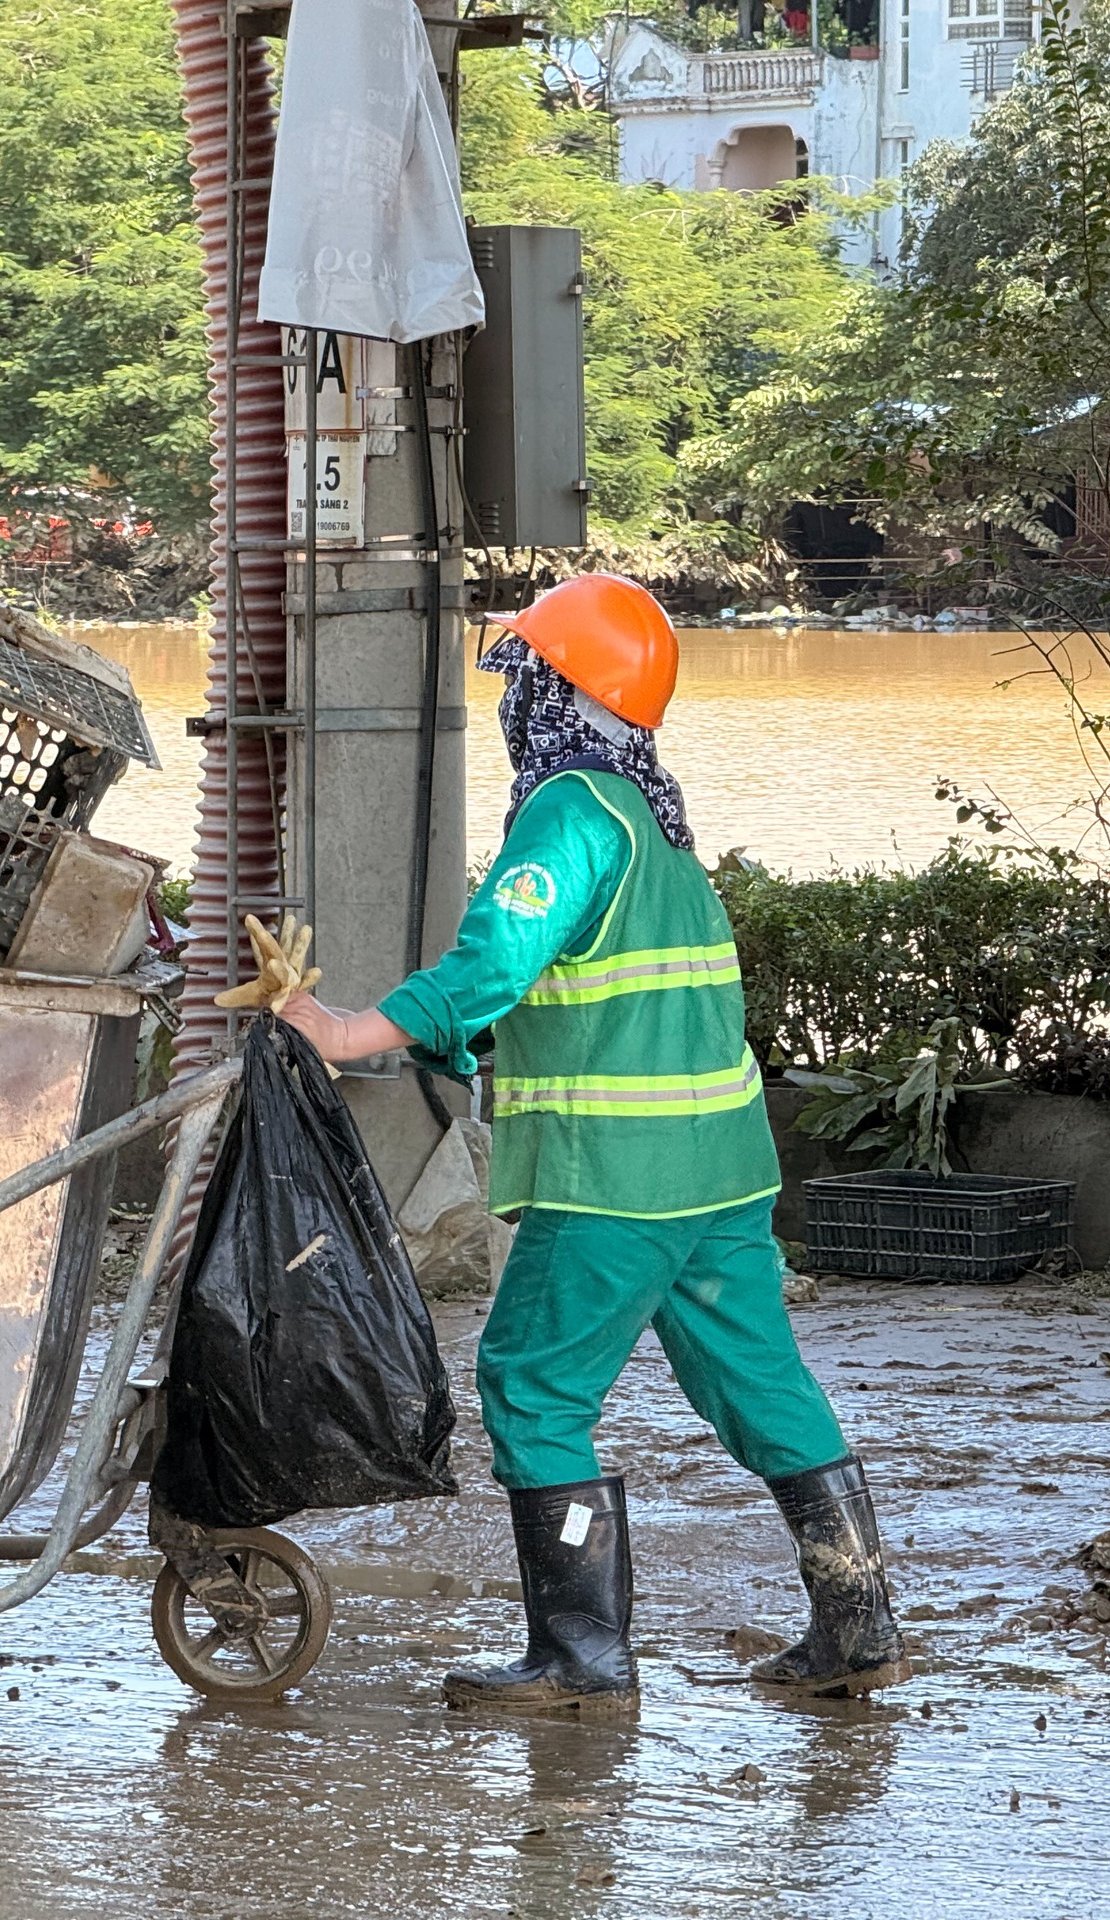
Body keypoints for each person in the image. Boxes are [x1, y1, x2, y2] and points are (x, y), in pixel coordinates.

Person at [277, 573, 907, 1716]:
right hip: (719, 1172)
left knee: (532, 1386)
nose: (512, 701)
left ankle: (582, 1654)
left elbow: (495, 967)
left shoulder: (569, 811)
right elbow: (594, 1000)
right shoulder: (655, 823)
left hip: (614, 1175)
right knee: (761, 1385)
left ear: (554, 693)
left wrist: (345, 1031)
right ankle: (856, 1625)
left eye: (522, 677)